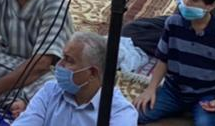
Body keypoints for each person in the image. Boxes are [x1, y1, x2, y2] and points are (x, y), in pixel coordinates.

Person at [134, 0, 215, 126]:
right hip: (174, 90)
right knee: (137, 113)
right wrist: (151, 89)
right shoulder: (173, 23)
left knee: (207, 124)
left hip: (206, 94)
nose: (186, 2)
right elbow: (163, 59)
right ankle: (180, 107)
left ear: (211, 5)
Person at [7, 31, 138, 126]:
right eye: (62, 57)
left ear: (92, 73)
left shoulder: (120, 114)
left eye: (69, 60)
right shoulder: (50, 91)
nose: (59, 65)